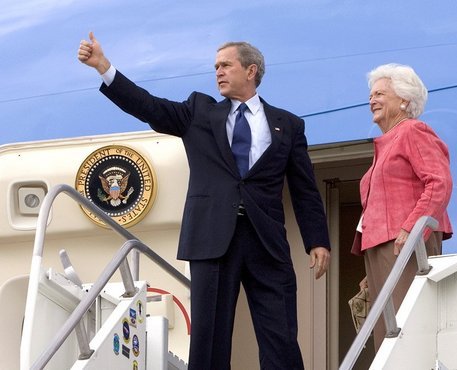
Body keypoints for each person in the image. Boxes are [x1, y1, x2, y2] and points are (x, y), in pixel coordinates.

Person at [78, 32, 331, 369]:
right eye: (216, 67)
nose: (218, 72)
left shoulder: (288, 124)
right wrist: (104, 68)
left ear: (251, 70)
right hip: (211, 239)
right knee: (209, 339)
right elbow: (149, 106)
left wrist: (318, 241)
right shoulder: (198, 111)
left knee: (280, 334)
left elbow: (305, 189)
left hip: (266, 242)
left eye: (226, 65)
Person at [351, 63, 453, 351]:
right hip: (384, 246)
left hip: (405, 242)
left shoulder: (413, 131)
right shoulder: (387, 141)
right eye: (371, 94)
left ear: (404, 100)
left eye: (381, 93)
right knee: (387, 334)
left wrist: (412, 228)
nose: (372, 99)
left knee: (406, 329)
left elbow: (439, 182)